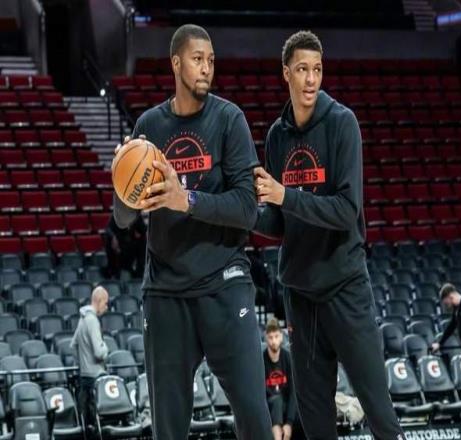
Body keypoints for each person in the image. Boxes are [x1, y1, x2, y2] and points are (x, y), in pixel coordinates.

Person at [113, 24, 272, 440]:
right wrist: (121, 179)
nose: (206, 68)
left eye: (211, 60)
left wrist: (187, 200)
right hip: (166, 292)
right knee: (168, 428)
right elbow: (124, 219)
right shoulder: (149, 126)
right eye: (198, 59)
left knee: (255, 415)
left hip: (224, 283)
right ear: (176, 63)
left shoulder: (228, 119)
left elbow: (247, 208)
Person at [253, 30, 405, 440]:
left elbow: (345, 211)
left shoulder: (342, 123)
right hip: (300, 298)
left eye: (317, 70)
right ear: (286, 73)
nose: (310, 79)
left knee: (379, 413)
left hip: (345, 288)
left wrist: (285, 194)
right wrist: (243, 212)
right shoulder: (277, 137)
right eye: (302, 69)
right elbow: (279, 223)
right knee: (316, 421)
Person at [70, 286, 109, 435]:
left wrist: (83, 364)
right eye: (105, 303)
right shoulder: (92, 320)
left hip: (85, 377)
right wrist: (106, 348)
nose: (106, 307)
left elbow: (73, 346)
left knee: (88, 425)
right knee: (99, 424)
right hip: (96, 378)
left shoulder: (82, 319)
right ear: (99, 300)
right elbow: (99, 352)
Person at [263, 318, 296, 440]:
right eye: (270, 337)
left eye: (276, 336)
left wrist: (289, 423)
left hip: (287, 406)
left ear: (281, 336)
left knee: (301, 409)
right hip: (269, 406)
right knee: (277, 401)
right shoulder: (261, 361)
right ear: (266, 338)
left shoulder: (288, 358)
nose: (274, 341)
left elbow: (293, 391)